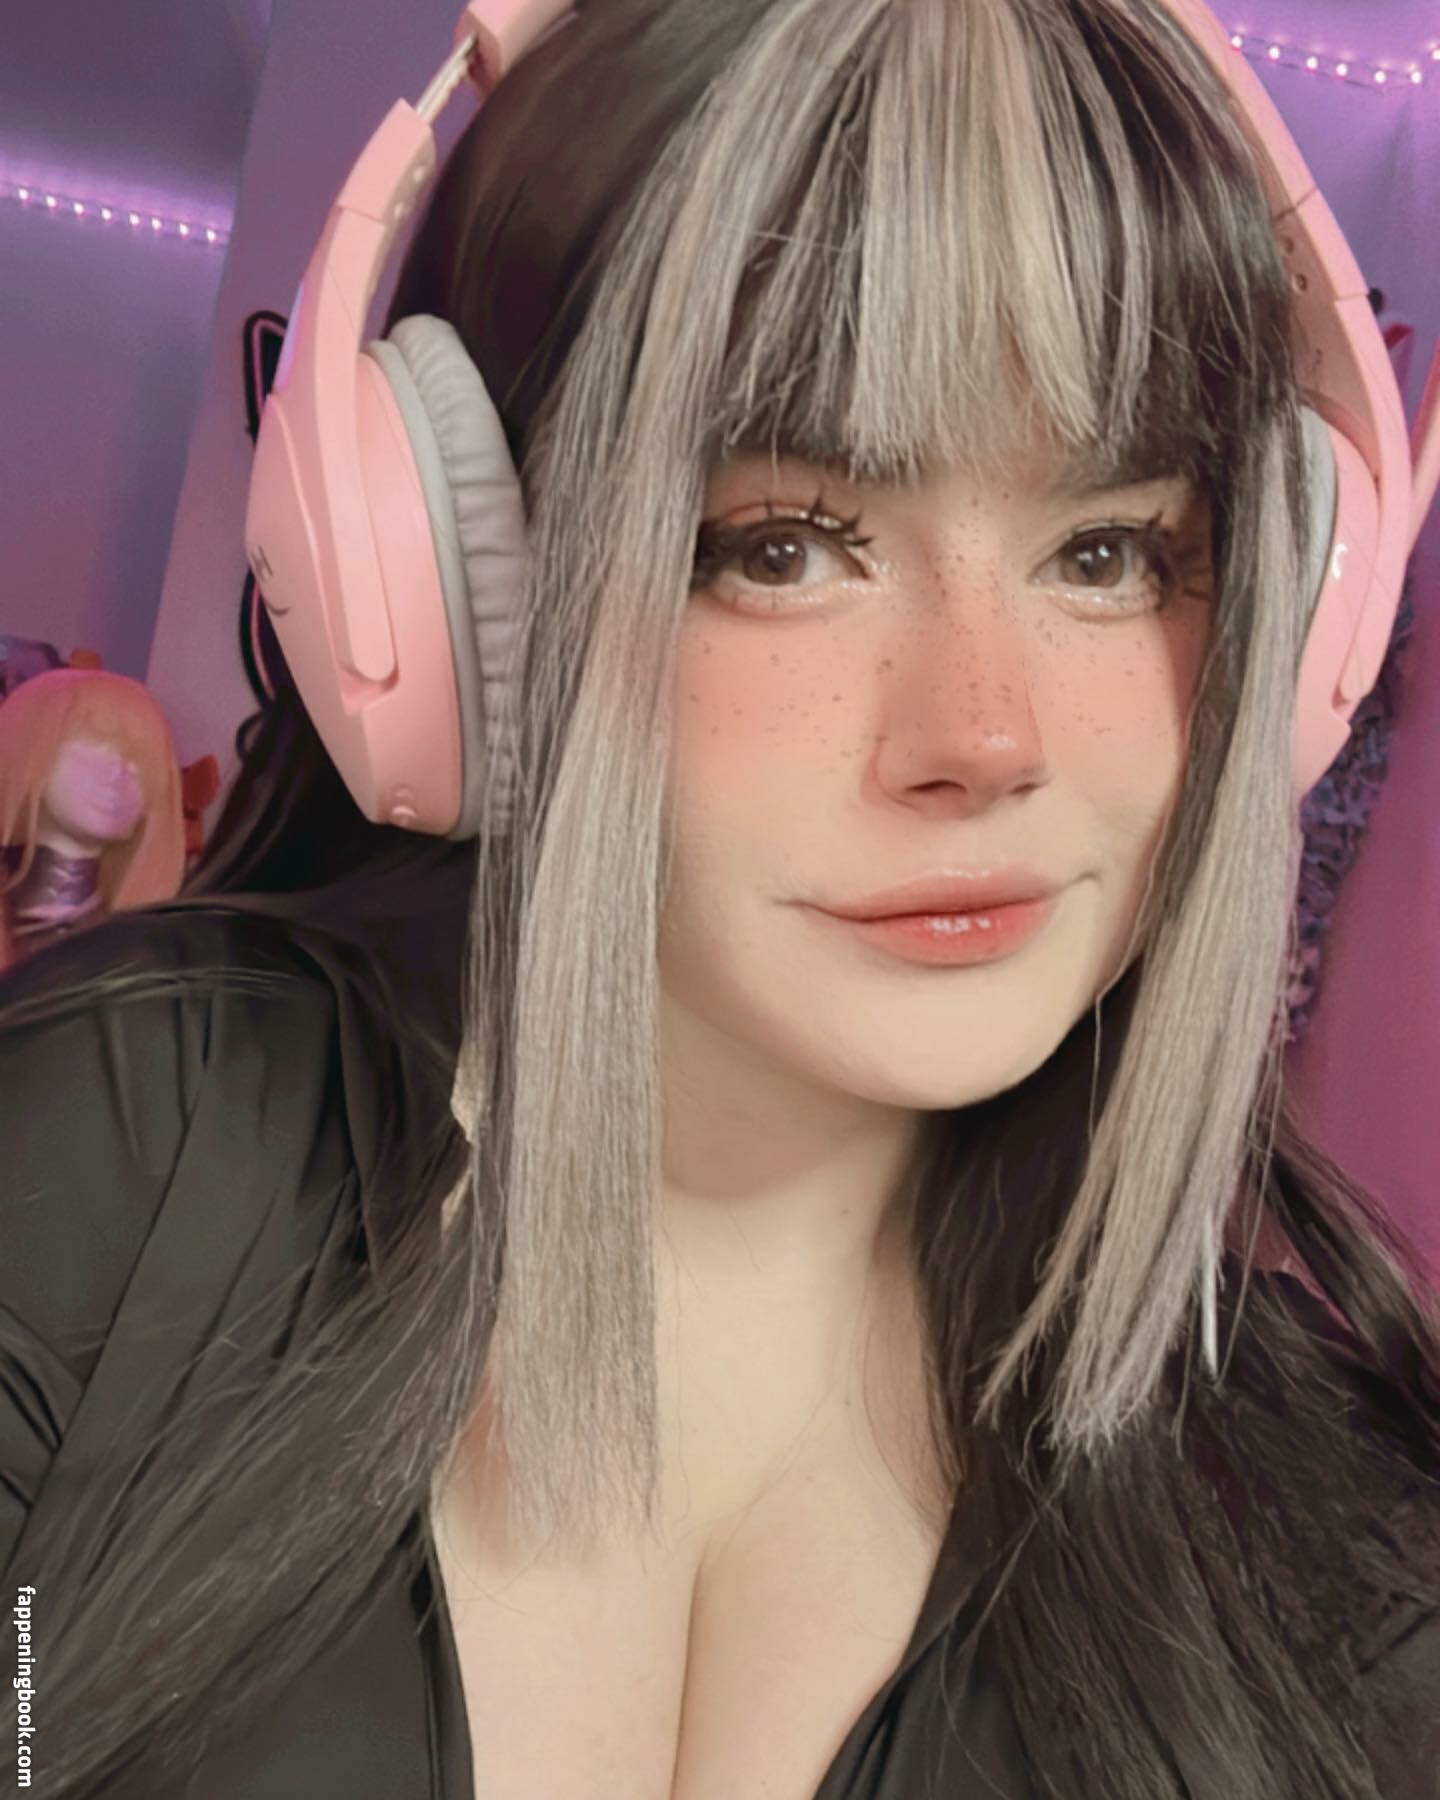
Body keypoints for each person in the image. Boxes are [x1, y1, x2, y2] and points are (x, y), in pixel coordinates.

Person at [2, 2, 1437, 1797]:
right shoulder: (109, 1168)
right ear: (462, 586)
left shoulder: (1340, 1543)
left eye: (1109, 552)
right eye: (786, 546)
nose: (985, 739)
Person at [0, 669, 186, 968]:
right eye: (95, 741)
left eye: (140, 760)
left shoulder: (148, 948)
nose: (120, 770)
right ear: (27, 746)